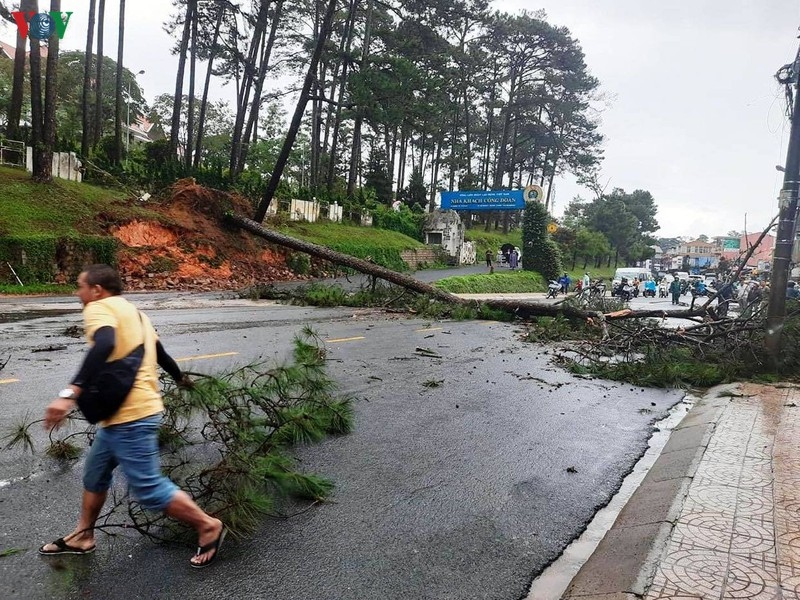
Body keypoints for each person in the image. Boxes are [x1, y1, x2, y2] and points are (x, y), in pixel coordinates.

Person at [40, 265, 226, 569]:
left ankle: (207, 525)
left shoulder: (98, 308)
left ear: (97, 290)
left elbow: (105, 342)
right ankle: (83, 536)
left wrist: (70, 392)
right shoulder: (136, 313)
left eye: (80, 286)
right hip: (124, 417)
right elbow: (161, 353)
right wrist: (180, 379)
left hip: (131, 417)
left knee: (149, 489)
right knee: (95, 473)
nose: (78, 293)